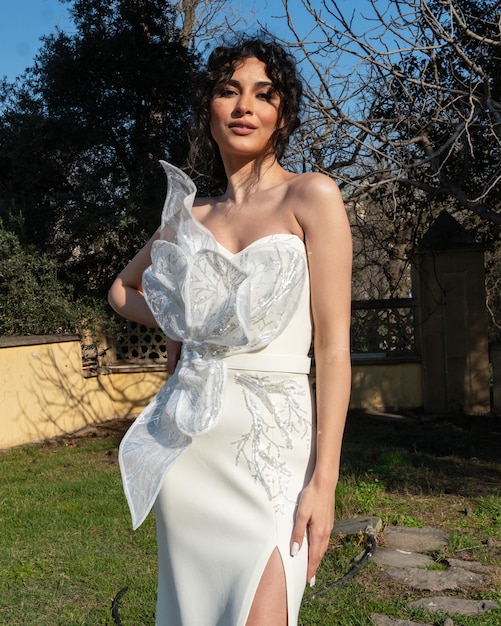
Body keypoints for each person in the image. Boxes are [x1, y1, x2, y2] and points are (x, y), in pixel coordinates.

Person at [108, 35, 352, 626]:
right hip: (193, 446)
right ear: (210, 110)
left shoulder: (311, 196)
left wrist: (325, 482)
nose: (245, 106)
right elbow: (122, 291)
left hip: (276, 451)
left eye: (263, 95)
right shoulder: (189, 218)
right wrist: (186, 322)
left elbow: (336, 347)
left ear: (282, 114)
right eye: (228, 91)